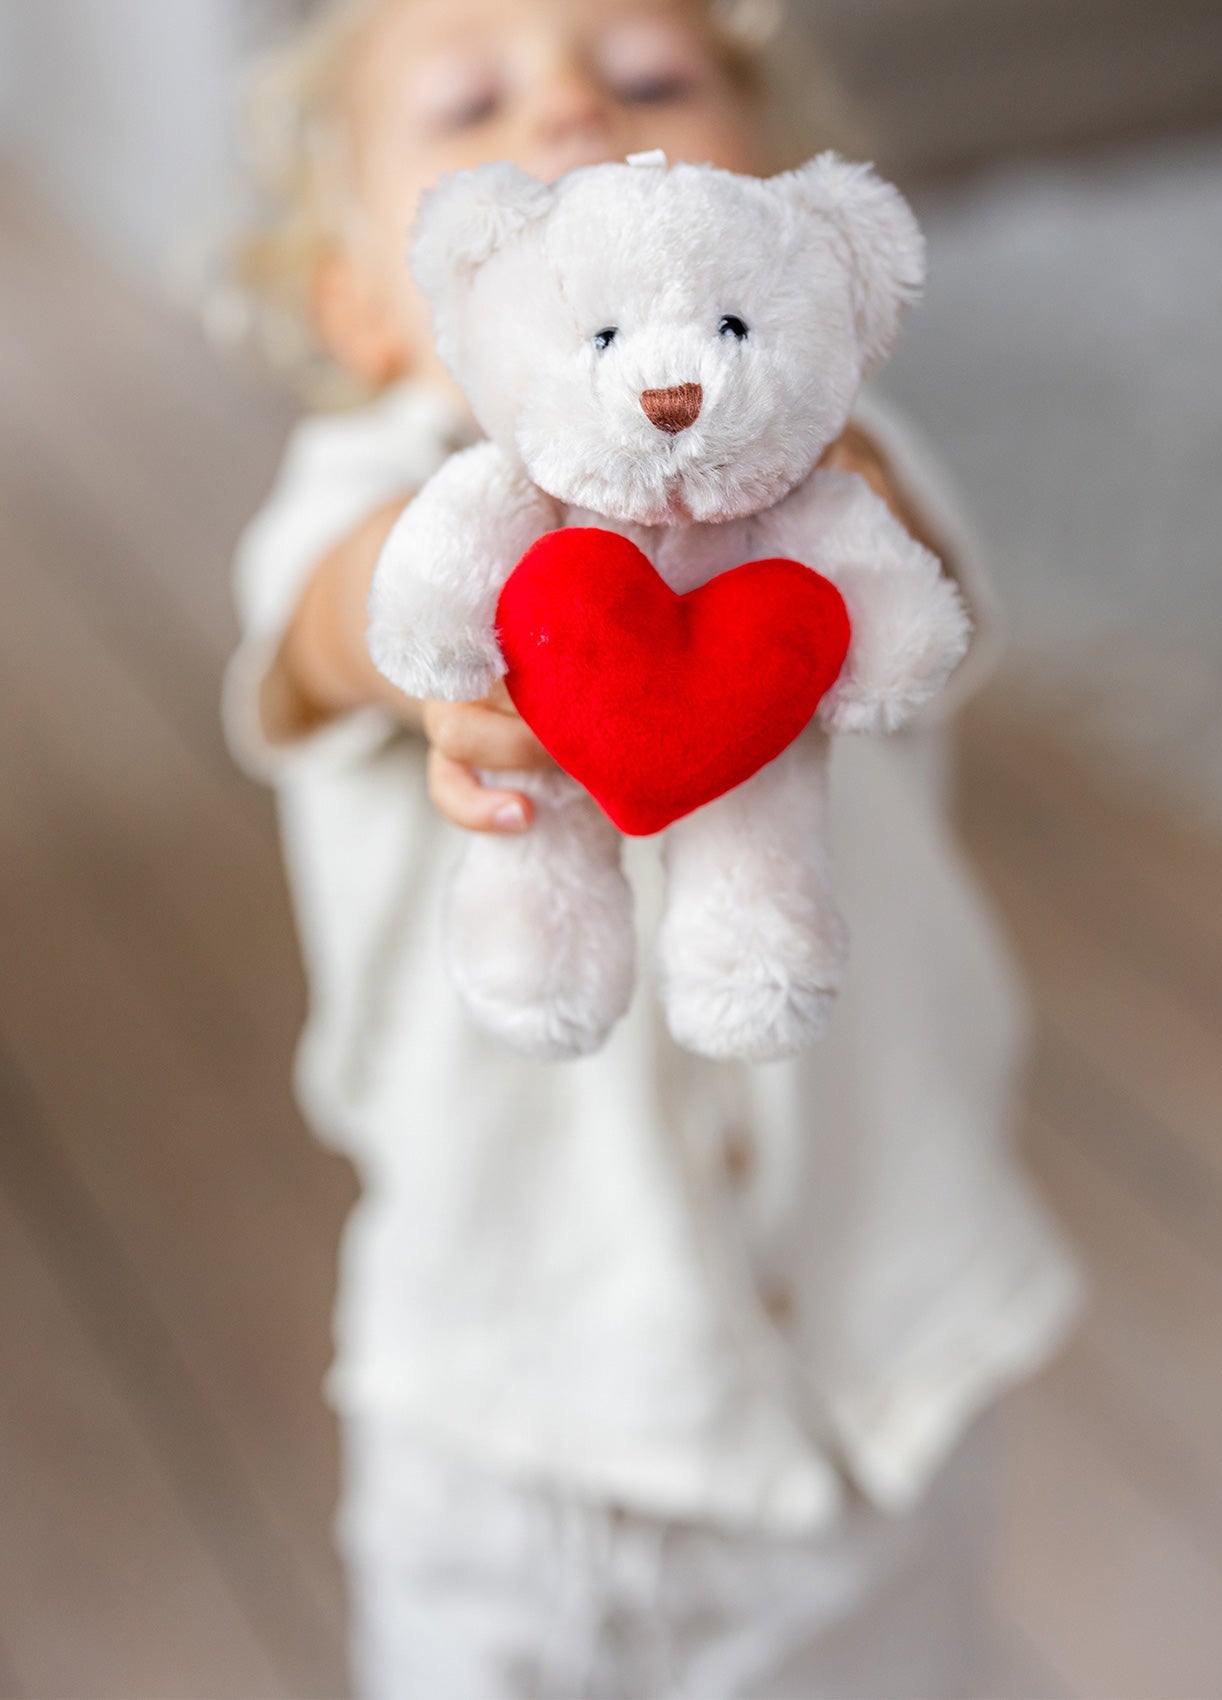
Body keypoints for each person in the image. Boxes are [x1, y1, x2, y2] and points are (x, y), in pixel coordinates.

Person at [222, 1, 1082, 1693]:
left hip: (875, 1369)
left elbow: (935, 611)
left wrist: (810, 456)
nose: (565, 105)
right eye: (470, 100)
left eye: (649, 79)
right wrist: (437, 623)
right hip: (518, 1412)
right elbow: (314, 637)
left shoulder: (846, 477)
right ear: (365, 300)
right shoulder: (368, 493)